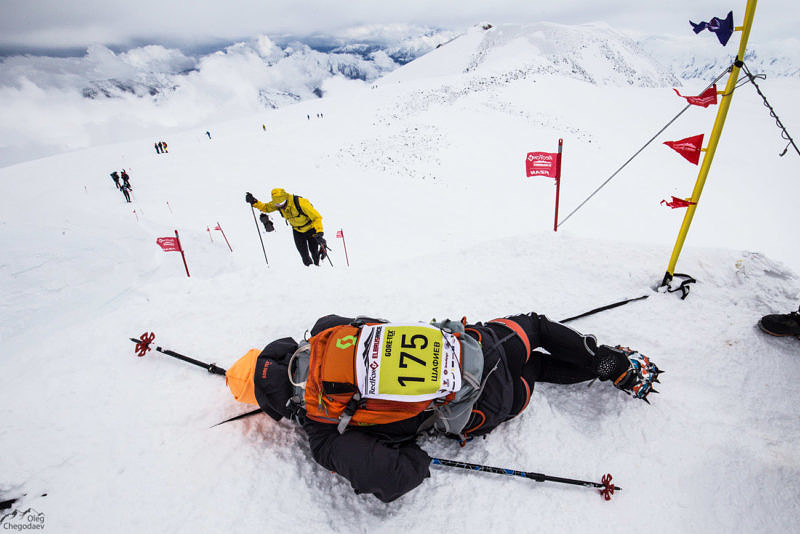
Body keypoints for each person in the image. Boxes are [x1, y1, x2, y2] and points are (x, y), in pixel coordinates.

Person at [228, 312, 661, 503]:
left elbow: (396, 477)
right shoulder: (326, 329)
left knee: (534, 376)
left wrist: (410, 446)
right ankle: (608, 362)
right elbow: (384, 326)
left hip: (485, 405)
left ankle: (588, 369)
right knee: (536, 329)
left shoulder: (324, 434)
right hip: (481, 343)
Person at [245, 188, 327, 266]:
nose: (280, 206)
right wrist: (254, 202)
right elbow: (266, 208)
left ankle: (317, 269)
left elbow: (317, 217)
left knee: (314, 253)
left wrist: (319, 232)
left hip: (311, 229)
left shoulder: (301, 203)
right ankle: (309, 271)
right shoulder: (278, 204)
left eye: (281, 203)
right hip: (297, 231)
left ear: (286, 198)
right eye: (277, 204)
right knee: (304, 257)